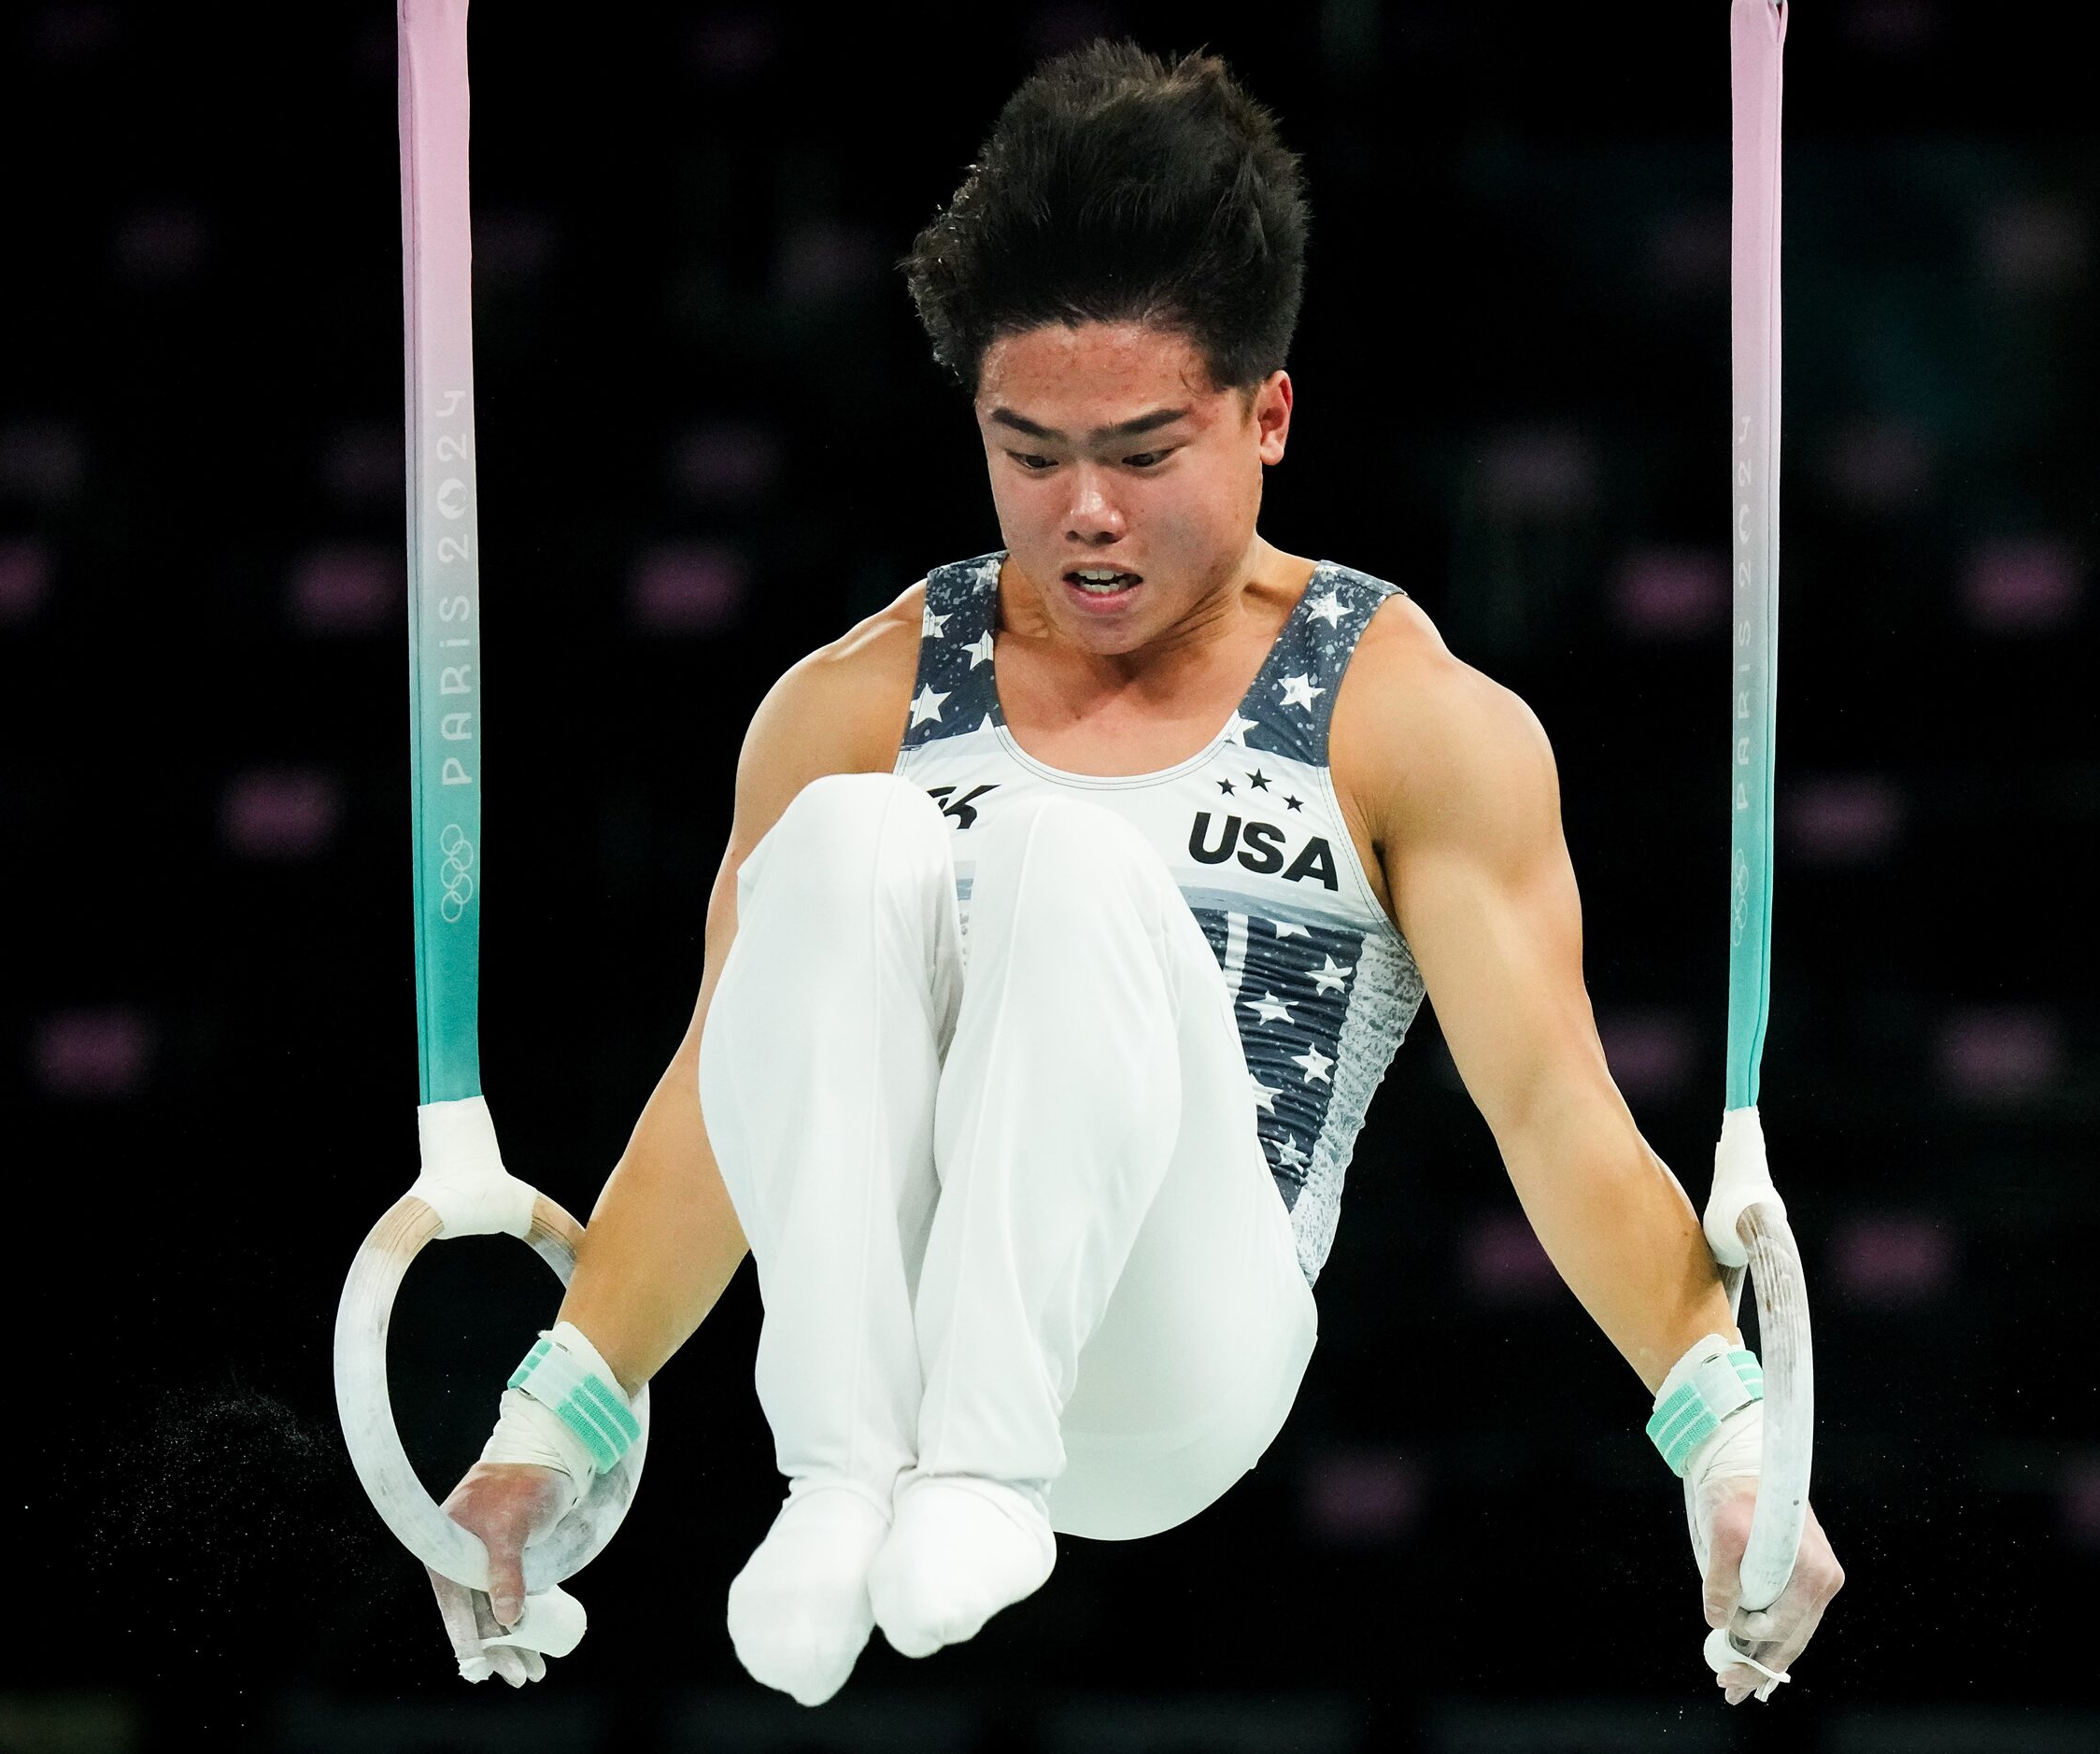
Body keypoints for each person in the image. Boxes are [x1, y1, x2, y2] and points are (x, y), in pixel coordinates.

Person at [435, 39, 1845, 1707]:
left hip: (1181, 1347)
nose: (1084, 515)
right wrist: (551, 1425)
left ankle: (980, 1472)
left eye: (1143, 451)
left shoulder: (1403, 718)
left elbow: (1554, 1115)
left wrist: (1730, 1436)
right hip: (894, 1333)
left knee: (1059, 859)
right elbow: (719, 1103)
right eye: (1028, 453)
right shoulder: (850, 702)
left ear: (1267, 414)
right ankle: (837, 1481)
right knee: (843, 845)